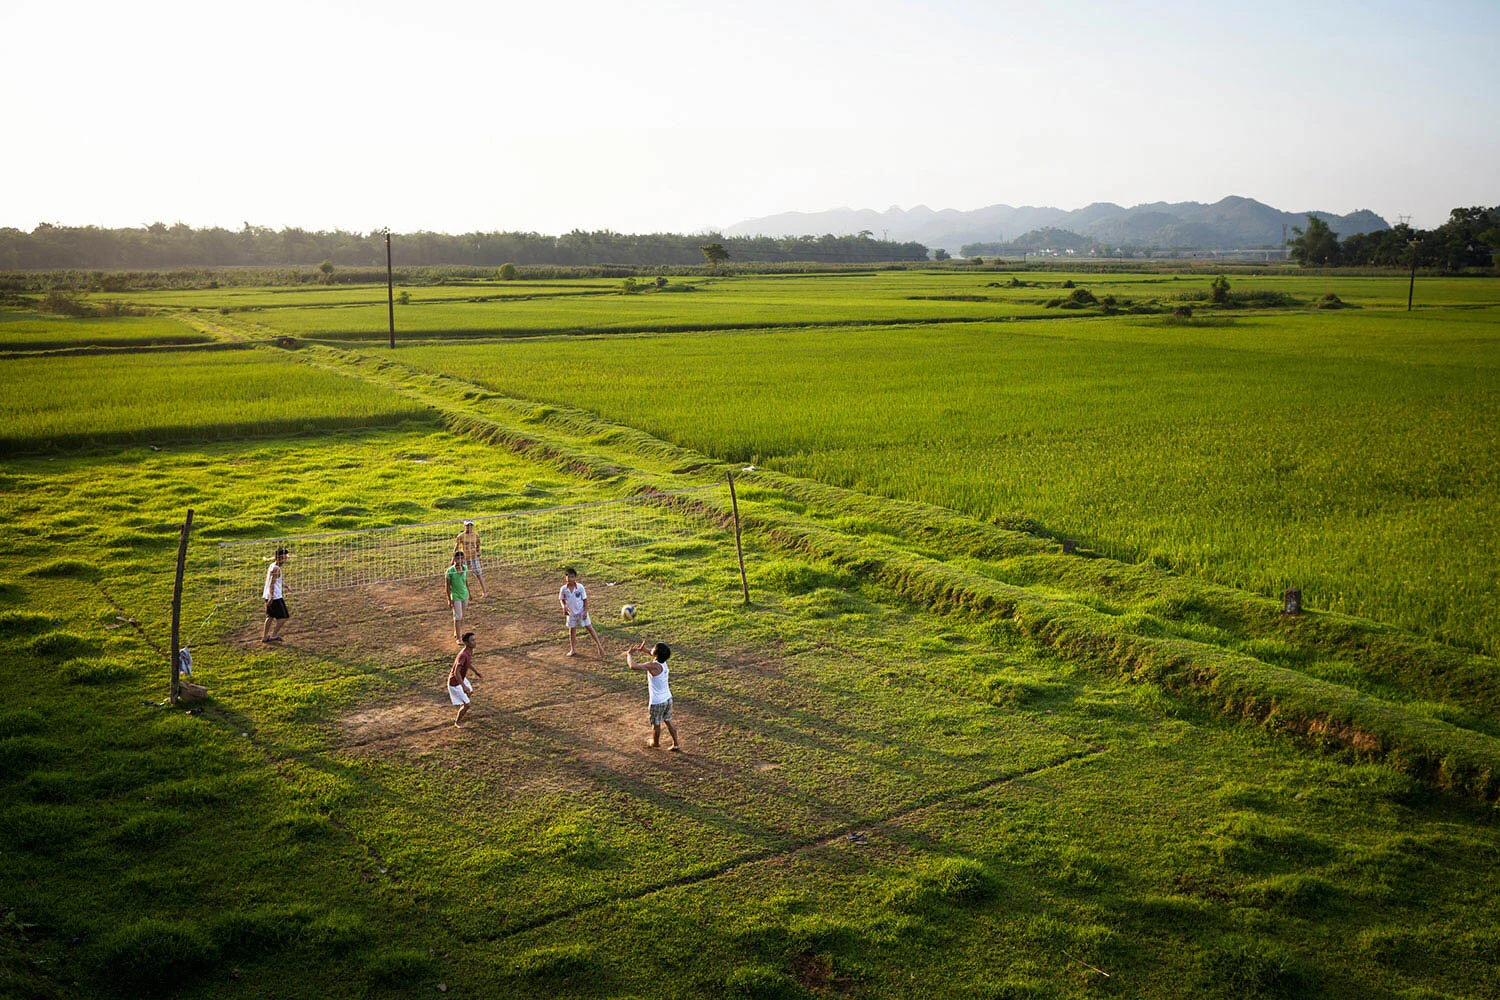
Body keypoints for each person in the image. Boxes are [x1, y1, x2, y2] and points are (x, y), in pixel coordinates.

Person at [626, 638, 679, 752]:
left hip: (657, 702)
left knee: (656, 724)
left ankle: (655, 742)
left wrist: (629, 655)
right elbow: (653, 653)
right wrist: (644, 650)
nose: (652, 648)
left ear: (657, 654)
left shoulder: (652, 666)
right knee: (668, 720)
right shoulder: (663, 662)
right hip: (668, 699)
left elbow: (633, 666)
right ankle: (676, 743)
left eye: (654, 647)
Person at [559, 566, 605, 657]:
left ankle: (599, 646)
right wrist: (563, 606)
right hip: (571, 613)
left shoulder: (580, 587)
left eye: (572, 577)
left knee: (589, 628)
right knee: (572, 630)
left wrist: (585, 611)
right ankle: (573, 649)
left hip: (581, 611)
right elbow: (561, 599)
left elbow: (585, 600)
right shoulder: (563, 589)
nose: (570, 579)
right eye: (568, 577)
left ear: (575, 577)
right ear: (565, 577)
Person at [448, 631, 483, 727]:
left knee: (470, 692)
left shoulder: (469, 651)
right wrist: (463, 686)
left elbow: (468, 664)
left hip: (461, 679)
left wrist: (476, 672)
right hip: (455, 682)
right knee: (467, 704)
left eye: (475, 640)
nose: (475, 642)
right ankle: (457, 721)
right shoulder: (463, 655)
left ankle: (462, 707)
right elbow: (456, 672)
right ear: (466, 643)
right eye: (472, 640)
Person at [262, 547, 290, 643]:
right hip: (275, 597)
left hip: (269, 595)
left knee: (270, 616)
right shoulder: (276, 569)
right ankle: (273, 636)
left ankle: (265, 637)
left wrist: (285, 586)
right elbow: (272, 584)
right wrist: (271, 597)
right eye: (284, 557)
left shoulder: (272, 565)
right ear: (279, 558)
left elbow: (275, 580)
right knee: (283, 617)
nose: (285, 559)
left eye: (286, 557)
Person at [455, 520, 488, 599]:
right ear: (464, 526)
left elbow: (478, 547)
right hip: (465, 559)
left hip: (473, 558)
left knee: (479, 574)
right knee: (463, 576)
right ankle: (466, 594)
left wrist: (478, 552)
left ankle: (485, 592)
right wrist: (454, 559)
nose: (469, 527)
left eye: (470, 525)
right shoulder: (461, 536)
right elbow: (456, 548)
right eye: (467, 525)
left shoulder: (476, 535)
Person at [444, 549, 470, 642]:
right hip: (455, 596)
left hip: (464, 595)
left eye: (462, 558)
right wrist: (449, 599)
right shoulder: (450, 571)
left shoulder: (465, 568)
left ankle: (457, 631)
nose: (460, 560)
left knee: (461, 615)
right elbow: (447, 586)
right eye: (458, 558)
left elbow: (466, 582)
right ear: (454, 559)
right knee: (458, 616)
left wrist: (469, 593)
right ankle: (459, 638)